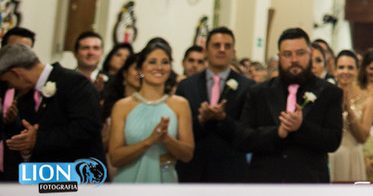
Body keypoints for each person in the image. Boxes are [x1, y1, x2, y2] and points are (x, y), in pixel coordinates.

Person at [235, 27, 344, 182]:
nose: (294, 59)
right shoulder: (259, 92)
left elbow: (333, 140)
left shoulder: (329, 93)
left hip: (309, 182)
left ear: (310, 54)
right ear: (279, 56)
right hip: (265, 182)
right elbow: (242, 139)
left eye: (300, 53)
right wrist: (277, 133)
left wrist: (301, 127)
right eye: (287, 54)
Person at [0, 41, 105, 166]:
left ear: (16, 73)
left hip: (80, 174)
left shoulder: (75, 83)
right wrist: (15, 127)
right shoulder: (25, 98)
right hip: (44, 176)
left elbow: (86, 128)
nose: (10, 87)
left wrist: (38, 139)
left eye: (8, 81)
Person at [108, 38, 193, 182]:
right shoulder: (122, 106)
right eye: (152, 62)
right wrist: (149, 141)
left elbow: (187, 154)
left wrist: (166, 139)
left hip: (164, 176)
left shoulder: (180, 104)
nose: (159, 67)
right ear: (140, 70)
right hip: (128, 180)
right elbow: (115, 157)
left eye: (165, 62)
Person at [174, 26, 253, 182]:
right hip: (193, 169)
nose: (222, 50)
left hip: (231, 170)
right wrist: (201, 120)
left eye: (227, 46)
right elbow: (178, 132)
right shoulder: (187, 86)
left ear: (233, 52)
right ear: (206, 50)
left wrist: (223, 119)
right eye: (216, 45)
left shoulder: (248, 87)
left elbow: (248, 134)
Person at [330, 50, 373, 182]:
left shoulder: (368, 99)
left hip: (353, 155)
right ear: (335, 70)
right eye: (341, 67)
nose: (345, 72)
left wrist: (348, 108)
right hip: (331, 155)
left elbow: (363, 137)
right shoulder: (327, 95)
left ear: (357, 70)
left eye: (350, 68)